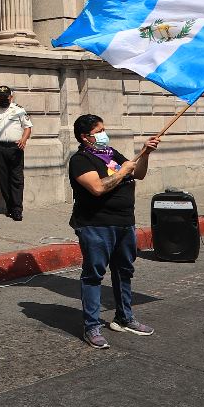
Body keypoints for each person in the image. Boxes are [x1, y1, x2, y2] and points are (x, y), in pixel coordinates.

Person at [67, 114, 161, 349]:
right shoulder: (81, 160)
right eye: (99, 131)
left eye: (104, 129)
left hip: (124, 222)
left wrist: (145, 153)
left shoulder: (111, 154)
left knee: (124, 271)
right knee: (94, 274)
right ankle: (92, 326)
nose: (103, 134)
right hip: (96, 224)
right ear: (85, 137)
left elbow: (138, 173)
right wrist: (122, 172)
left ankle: (124, 317)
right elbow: (98, 188)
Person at [0, 85, 33, 222]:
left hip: (15, 148)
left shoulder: (19, 110)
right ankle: (10, 207)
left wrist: (24, 140)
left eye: (6, 97)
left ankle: (17, 209)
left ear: (11, 97)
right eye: (0, 97)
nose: (3, 99)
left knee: (17, 179)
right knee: (3, 179)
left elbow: (27, 127)